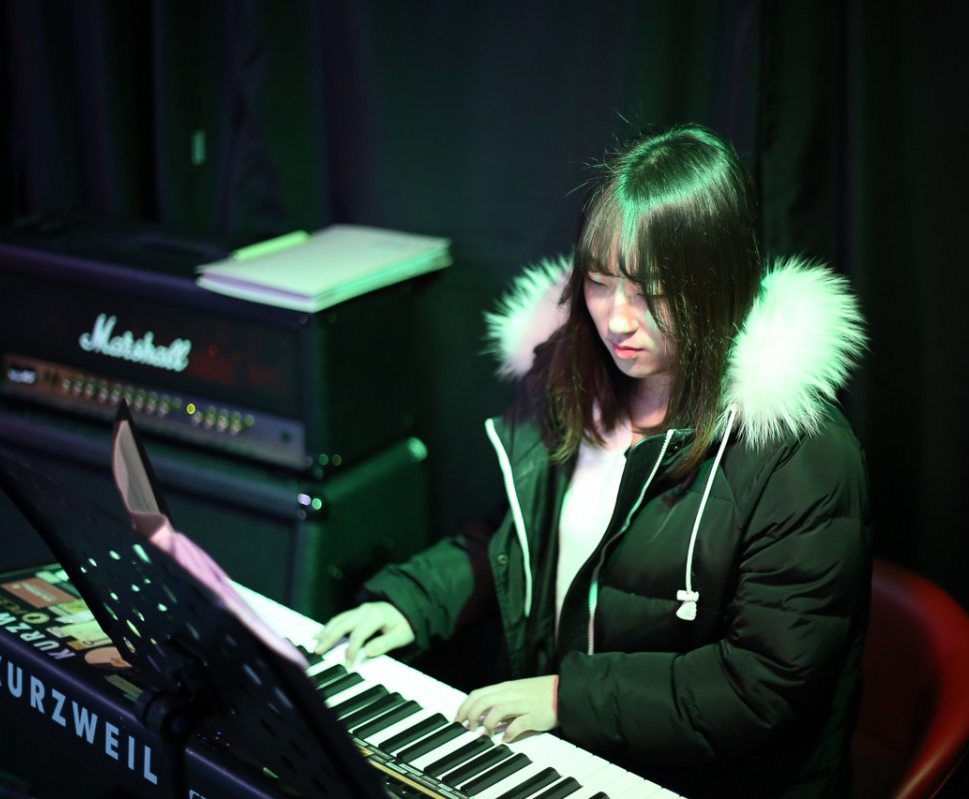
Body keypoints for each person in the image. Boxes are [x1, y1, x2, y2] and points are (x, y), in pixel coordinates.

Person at [316, 124, 871, 798]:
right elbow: (519, 541)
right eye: (600, 282)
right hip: (573, 752)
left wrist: (565, 696)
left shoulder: (802, 453)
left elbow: (761, 684)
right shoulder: (573, 383)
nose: (617, 319)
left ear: (720, 283)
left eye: (652, 291)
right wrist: (414, 600)